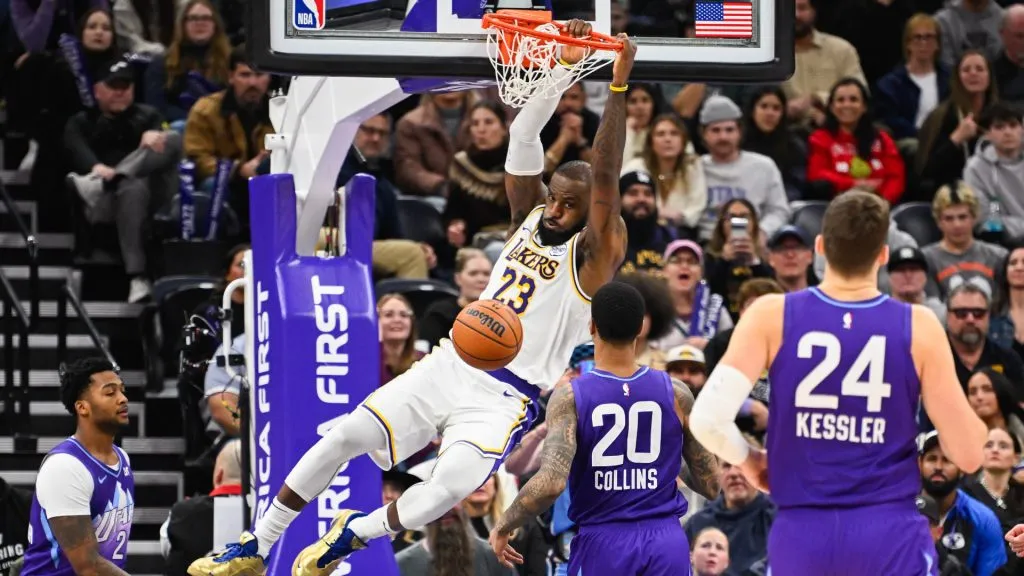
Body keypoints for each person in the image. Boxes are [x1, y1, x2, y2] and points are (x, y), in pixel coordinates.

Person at [188, 23, 638, 576]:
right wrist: (561, 69)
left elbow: (607, 177)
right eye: (556, 198)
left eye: (571, 206)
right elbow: (524, 135)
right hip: (451, 363)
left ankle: (355, 533)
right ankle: (257, 542)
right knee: (344, 435)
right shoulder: (529, 216)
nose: (558, 210)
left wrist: (617, 87)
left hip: (505, 396)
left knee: (445, 490)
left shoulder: (594, 254)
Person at [690, 190, 987, 575]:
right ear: (883, 254)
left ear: (820, 247)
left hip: (802, 532)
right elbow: (968, 456)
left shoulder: (770, 315)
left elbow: (707, 420)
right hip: (888, 533)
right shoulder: (919, 325)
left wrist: (751, 461)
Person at [488, 281, 720, 574]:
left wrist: (504, 523)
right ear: (640, 328)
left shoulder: (571, 396)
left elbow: (551, 483)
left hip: (605, 541)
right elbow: (711, 484)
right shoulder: (676, 393)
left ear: (592, 326)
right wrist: (666, 458)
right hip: (665, 541)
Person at [20, 358, 134, 576]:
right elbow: (88, 567)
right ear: (82, 407)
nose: (123, 398)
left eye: (122, 390)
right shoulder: (65, 466)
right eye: (110, 393)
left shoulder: (123, 459)